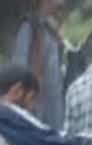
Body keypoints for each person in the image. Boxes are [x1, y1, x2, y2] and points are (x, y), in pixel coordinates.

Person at [11, 0, 67, 130]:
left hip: (53, 112)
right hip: (36, 111)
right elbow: (18, 71)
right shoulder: (29, 27)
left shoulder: (50, 30)